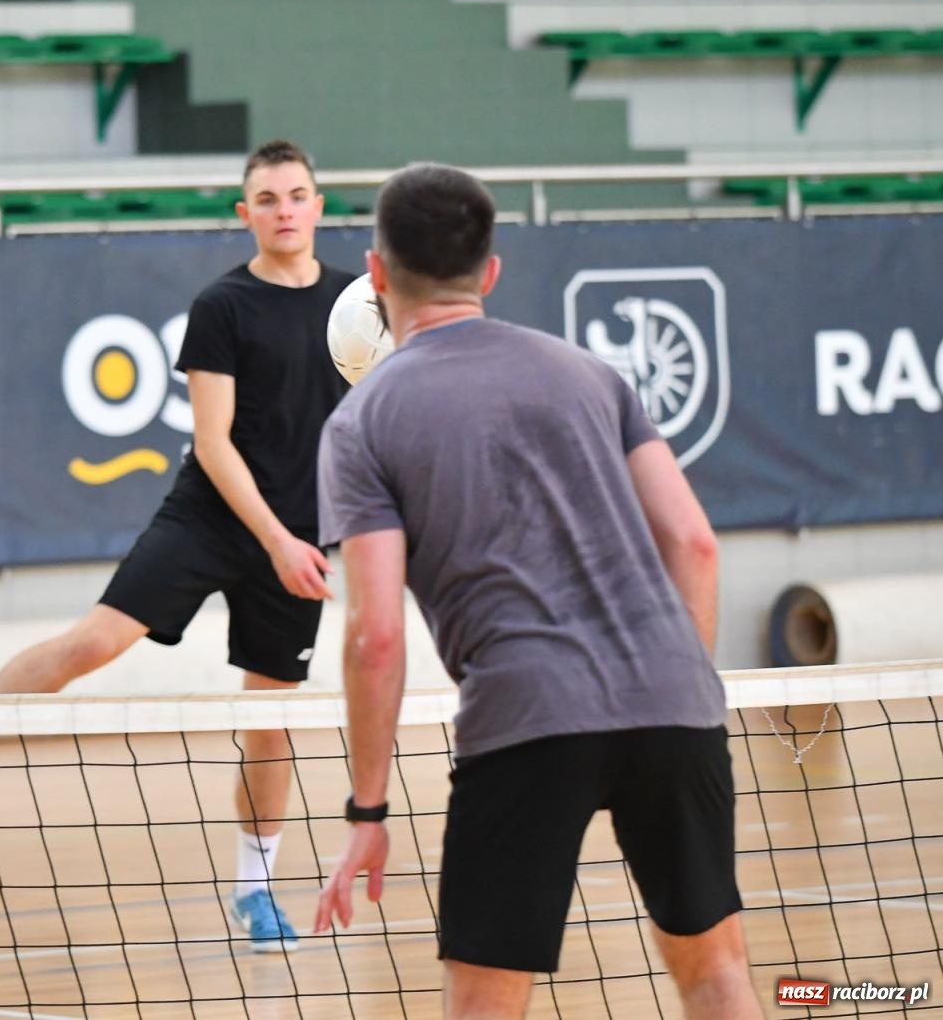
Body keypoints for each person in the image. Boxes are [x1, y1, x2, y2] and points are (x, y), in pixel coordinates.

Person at [0, 139, 353, 952]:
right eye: (267, 199)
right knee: (93, 642)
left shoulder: (356, 306)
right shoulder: (223, 306)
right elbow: (213, 443)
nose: (283, 210)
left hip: (298, 539)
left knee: (271, 723)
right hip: (213, 519)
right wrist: (271, 537)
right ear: (246, 214)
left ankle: (255, 890)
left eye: (296, 195)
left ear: (318, 205)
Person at [311, 164, 763, 1019]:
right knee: (716, 975)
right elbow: (695, 543)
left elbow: (374, 637)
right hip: (673, 700)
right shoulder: (592, 374)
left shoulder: (362, 423)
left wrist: (366, 807)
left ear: (376, 272)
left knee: (486, 1003)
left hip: (526, 719)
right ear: (490, 271)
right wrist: (674, 685)